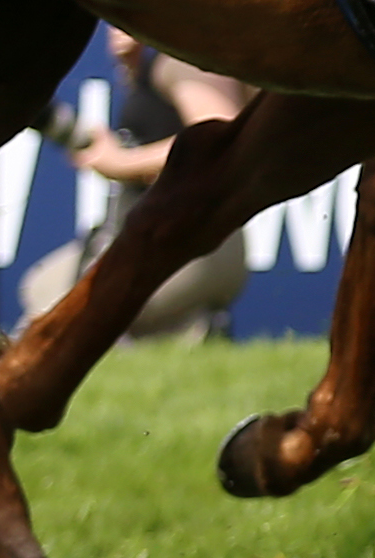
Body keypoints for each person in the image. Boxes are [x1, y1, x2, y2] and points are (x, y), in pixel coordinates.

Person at [20, 45, 257, 342]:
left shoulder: (182, 57)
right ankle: (186, 331)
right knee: (43, 287)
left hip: (198, 247)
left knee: (68, 309)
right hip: (177, 243)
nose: (117, 28)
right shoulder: (153, 65)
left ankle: (191, 329)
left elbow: (221, 137)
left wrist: (122, 162)